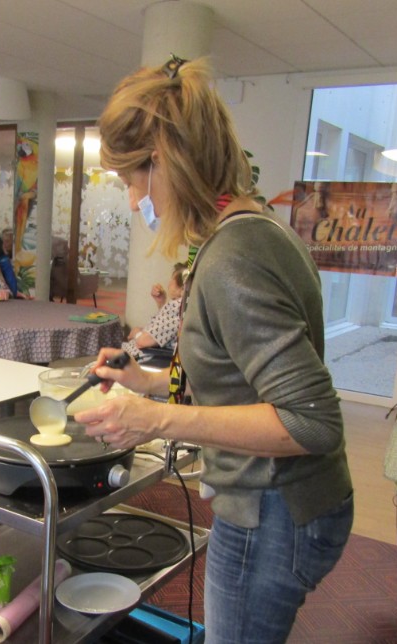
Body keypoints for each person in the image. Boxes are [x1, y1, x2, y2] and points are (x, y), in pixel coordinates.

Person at [74, 57, 352, 643]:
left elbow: (311, 422)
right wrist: (146, 383)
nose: (130, 201)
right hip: (287, 506)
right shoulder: (256, 229)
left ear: (165, 162)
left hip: (273, 511)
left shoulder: (234, 256)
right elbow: (239, 373)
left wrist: (155, 419)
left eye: (131, 180)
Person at [121, 262, 186, 361]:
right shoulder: (184, 305)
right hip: (148, 353)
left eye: (172, 278)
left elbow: (143, 342)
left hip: (142, 357)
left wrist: (136, 333)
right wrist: (161, 303)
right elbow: (166, 329)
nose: (169, 283)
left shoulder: (176, 307)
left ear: (182, 288)